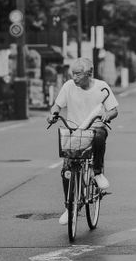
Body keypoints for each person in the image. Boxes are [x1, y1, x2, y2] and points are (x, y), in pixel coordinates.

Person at [47, 58, 119, 226]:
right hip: (74, 131)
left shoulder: (102, 87)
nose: (74, 77)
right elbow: (57, 105)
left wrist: (107, 115)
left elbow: (114, 110)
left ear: (89, 73)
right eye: (73, 74)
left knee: (101, 134)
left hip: (94, 128)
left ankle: (98, 172)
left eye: (78, 74)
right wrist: (53, 114)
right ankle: (69, 207)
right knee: (67, 169)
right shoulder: (68, 87)